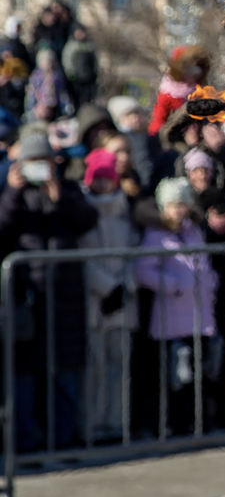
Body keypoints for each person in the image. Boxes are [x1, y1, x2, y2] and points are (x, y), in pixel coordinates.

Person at [0, 131, 98, 450]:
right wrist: (13, 192)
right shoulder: (12, 194)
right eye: (32, 162)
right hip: (27, 304)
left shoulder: (66, 190)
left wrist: (59, 197)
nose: (38, 168)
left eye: (43, 161)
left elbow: (87, 220)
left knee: (63, 379)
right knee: (24, 382)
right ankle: (24, 446)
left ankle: (63, 441)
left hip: (65, 303)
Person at [134, 177, 218, 436]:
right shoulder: (156, 235)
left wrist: (211, 282)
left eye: (182, 204)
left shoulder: (194, 231)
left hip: (200, 314)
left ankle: (196, 422)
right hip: (171, 316)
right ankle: (173, 424)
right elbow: (143, 270)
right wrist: (174, 285)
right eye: (172, 205)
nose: (178, 210)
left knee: (199, 372)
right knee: (175, 376)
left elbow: (204, 263)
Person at [78, 148, 140, 441]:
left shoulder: (124, 212)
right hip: (94, 303)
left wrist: (125, 287)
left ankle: (118, 424)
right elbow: (79, 259)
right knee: (95, 368)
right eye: (97, 179)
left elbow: (136, 253)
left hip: (122, 303)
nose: (102, 184)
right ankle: (93, 424)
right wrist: (107, 287)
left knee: (120, 367)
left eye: (107, 178)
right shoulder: (82, 214)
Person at [149, 45, 211, 137]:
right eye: (191, 75)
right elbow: (158, 122)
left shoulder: (200, 93)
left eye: (197, 76)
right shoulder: (168, 96)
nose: (194, 79)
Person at [26, 46, 71, 121]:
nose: (49, 65)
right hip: (39, 107)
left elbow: (62, 93)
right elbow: (31, 93)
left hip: (54, 107)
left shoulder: (57, 75)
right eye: (46, 62)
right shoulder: (36, 76)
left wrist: (65, 107)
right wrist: (31, 108)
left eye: (50, 62)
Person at [61, 25, 99, 106]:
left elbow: (95, 60)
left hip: (89, 76)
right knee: (77, 97)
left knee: (89, 96)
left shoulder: (89, 45)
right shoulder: (71, 46)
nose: (81, 34)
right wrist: (70, 73)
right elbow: (67, 60)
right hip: (77, 77)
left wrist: (95, 71)